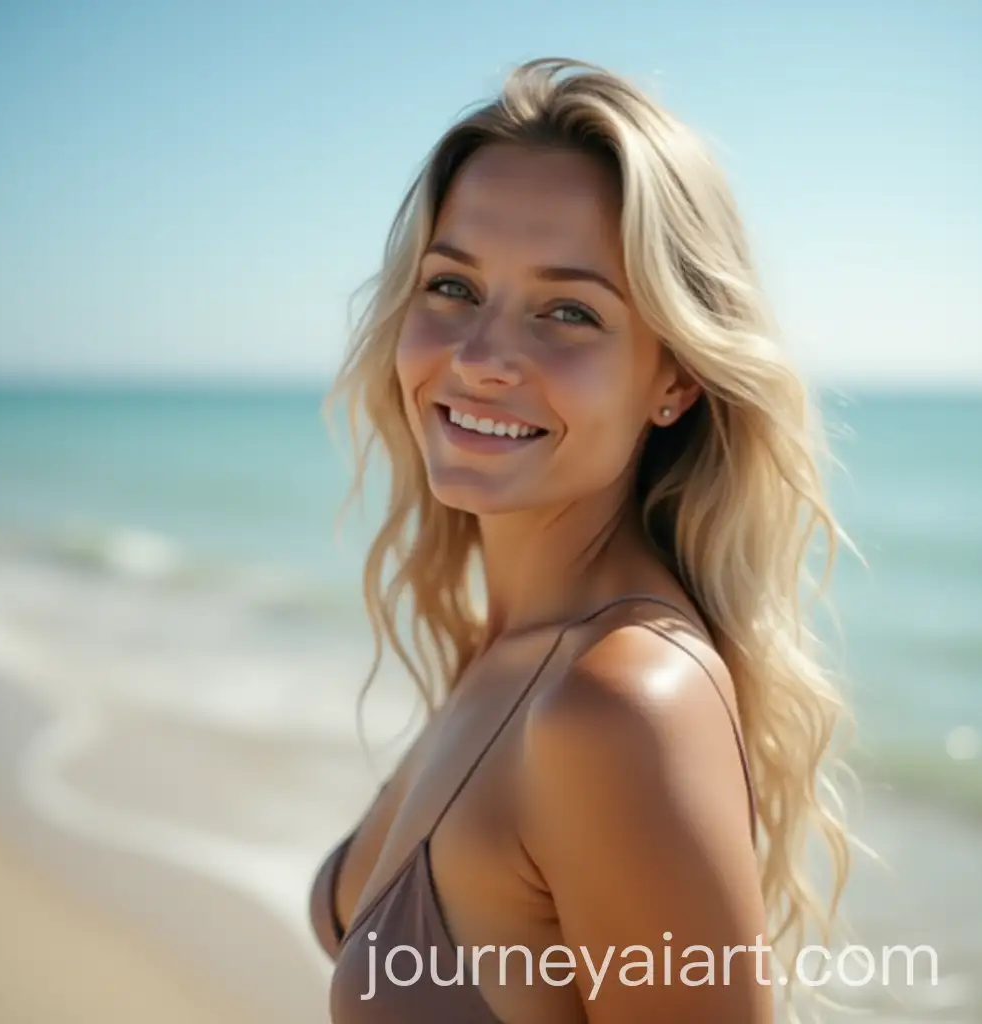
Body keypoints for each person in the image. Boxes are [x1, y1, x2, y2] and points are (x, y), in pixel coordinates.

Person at [310, 57, 853, 1023]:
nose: (479, 359)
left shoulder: (621, 704)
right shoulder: (520, 644)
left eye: (569, 311)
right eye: (452, 286)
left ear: (674, 379)